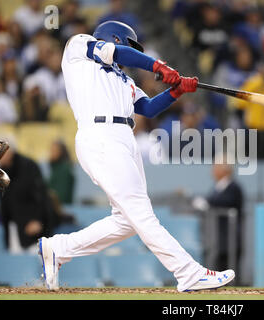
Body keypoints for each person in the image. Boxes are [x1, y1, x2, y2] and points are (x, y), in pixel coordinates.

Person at [38, 21, 235, 292]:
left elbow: (148, 108)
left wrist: (176, 91)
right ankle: (188, 272)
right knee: (142, 214)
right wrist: (157, 66)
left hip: (123, 138)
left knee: (126, 221)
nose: (131, 51)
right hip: (99, 135)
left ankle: (59, 248)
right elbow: (118, 53)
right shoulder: (79, 47)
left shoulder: (124, 80)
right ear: (114, 38)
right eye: (129, 44)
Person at [48, 140, 75, 205]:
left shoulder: (64, 170)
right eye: (51, 150)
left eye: (55, 150)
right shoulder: (56, 169)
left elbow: (61, 196)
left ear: (62, 152)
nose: (52, 153)